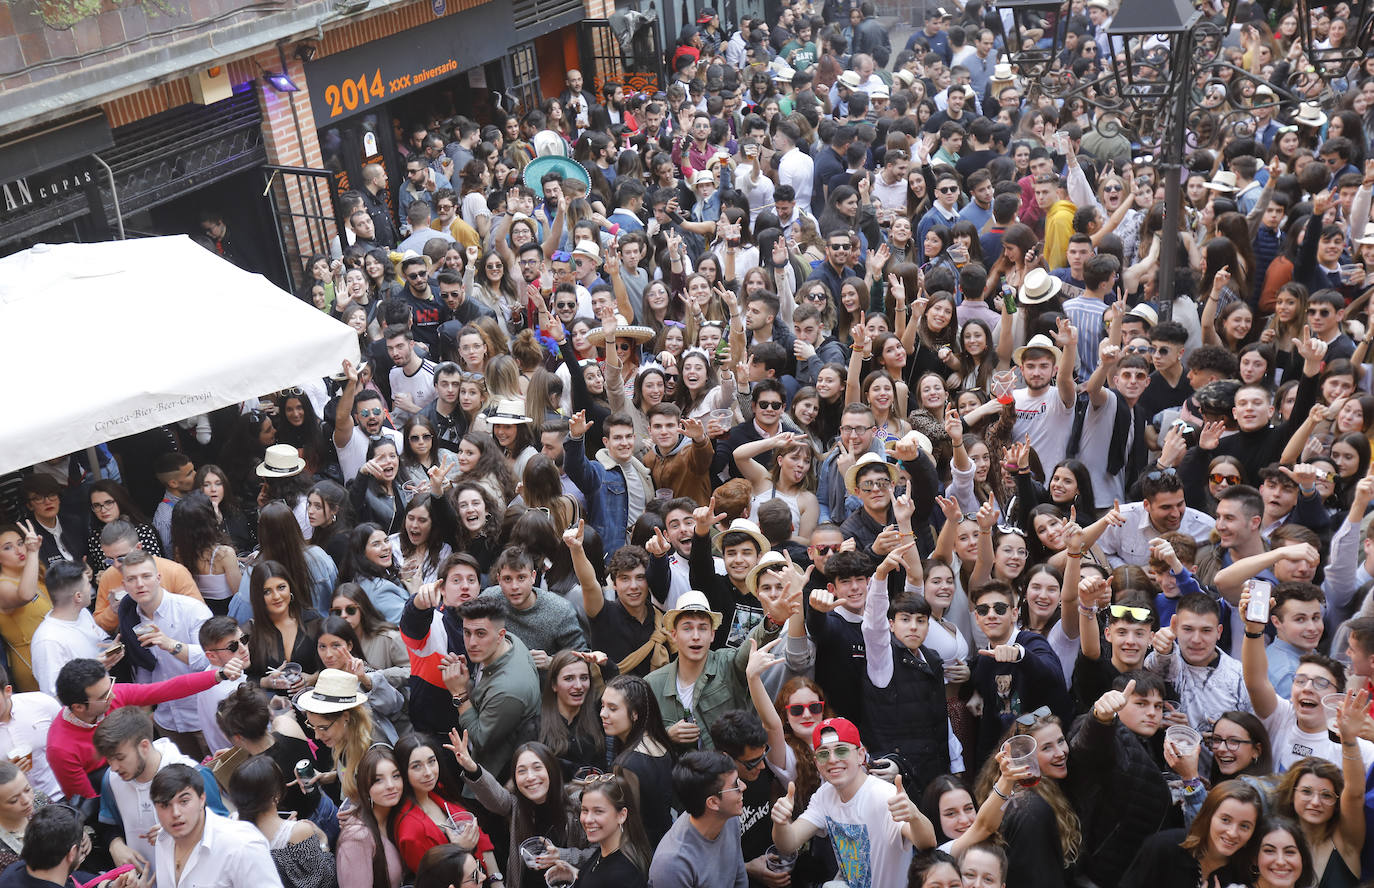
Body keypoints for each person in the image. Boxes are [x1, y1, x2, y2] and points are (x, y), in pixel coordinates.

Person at [769, 717, 932, 885]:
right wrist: (781, 822)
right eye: (824, 753)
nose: (832, 759)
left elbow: (927, 843)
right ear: (817, 763)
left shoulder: (883, 794)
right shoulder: (824, 796)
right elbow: (788, 843)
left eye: (841, 751)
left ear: (860, 755)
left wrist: (914, 816)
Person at [93, 706, 229, 873]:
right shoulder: (111, 780)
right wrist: (115, 844)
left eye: (120, 758)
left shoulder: (195, 775)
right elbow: (108, 825)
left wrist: (182, 831)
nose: (114, 767)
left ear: (144, 746)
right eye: (109, 759)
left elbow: (224, 830)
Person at [111, 550, 214, 757]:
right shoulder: (130, 617)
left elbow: (211, 658)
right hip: (167, 720)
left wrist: (170, 645)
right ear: (124, 586)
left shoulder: (191, 610)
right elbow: (144, 669)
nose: (140, 584)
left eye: (146, 576)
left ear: (158, 578)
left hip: (204, 716)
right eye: (132, 579)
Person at [436, 597, 541, 782]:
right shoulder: (508, 642)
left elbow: (480, 740)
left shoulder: (509, 690)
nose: (471, 643)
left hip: (494, 778)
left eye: (480, 634)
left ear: (500, 635)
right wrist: (466, 681)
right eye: (467, 633)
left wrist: (459, 694)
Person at [149, 764, 284, 888]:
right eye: (165, 805)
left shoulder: (241, 844)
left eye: (184, 801)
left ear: (202, 799)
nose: (176, 813)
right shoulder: (163, 840)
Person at [1121, 780, 1265, 888]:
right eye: (1225, 820)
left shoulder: (1243, 877)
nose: (1233, 833)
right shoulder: (1165, 847)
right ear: (1208, 817)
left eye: (1244, 826)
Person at [227, 756, 337, 888]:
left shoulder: (232, 823)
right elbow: (324, 881)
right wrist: (323, 843)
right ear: (276, 794)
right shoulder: (299, 832)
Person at [648, 750, 748, 888]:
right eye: (735, 784)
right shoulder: (672, 864)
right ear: (713, 802)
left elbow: (739, 875)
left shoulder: (728, 817)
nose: (744, 786)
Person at [543, 772, 650, 888]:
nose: (588, 819)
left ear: (621, 815)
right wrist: (575, 874)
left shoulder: (624, 876)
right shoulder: (607, 848)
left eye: (598, 811)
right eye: (584, 810)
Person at [29, 561, 117, 698]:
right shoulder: (48, 641)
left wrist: (113, 648)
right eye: (88, 584)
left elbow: (100, 641)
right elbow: (54, 693)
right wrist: (95, 668)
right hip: (82, 713)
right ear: (78, 596)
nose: (91, 588)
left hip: (104, 697)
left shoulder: (83, 613)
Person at [336, 746, 404, 888]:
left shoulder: (394, 817)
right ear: (365, 787)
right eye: (378, 780)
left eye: (396, 776)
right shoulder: (357, 836)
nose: (391, 785)